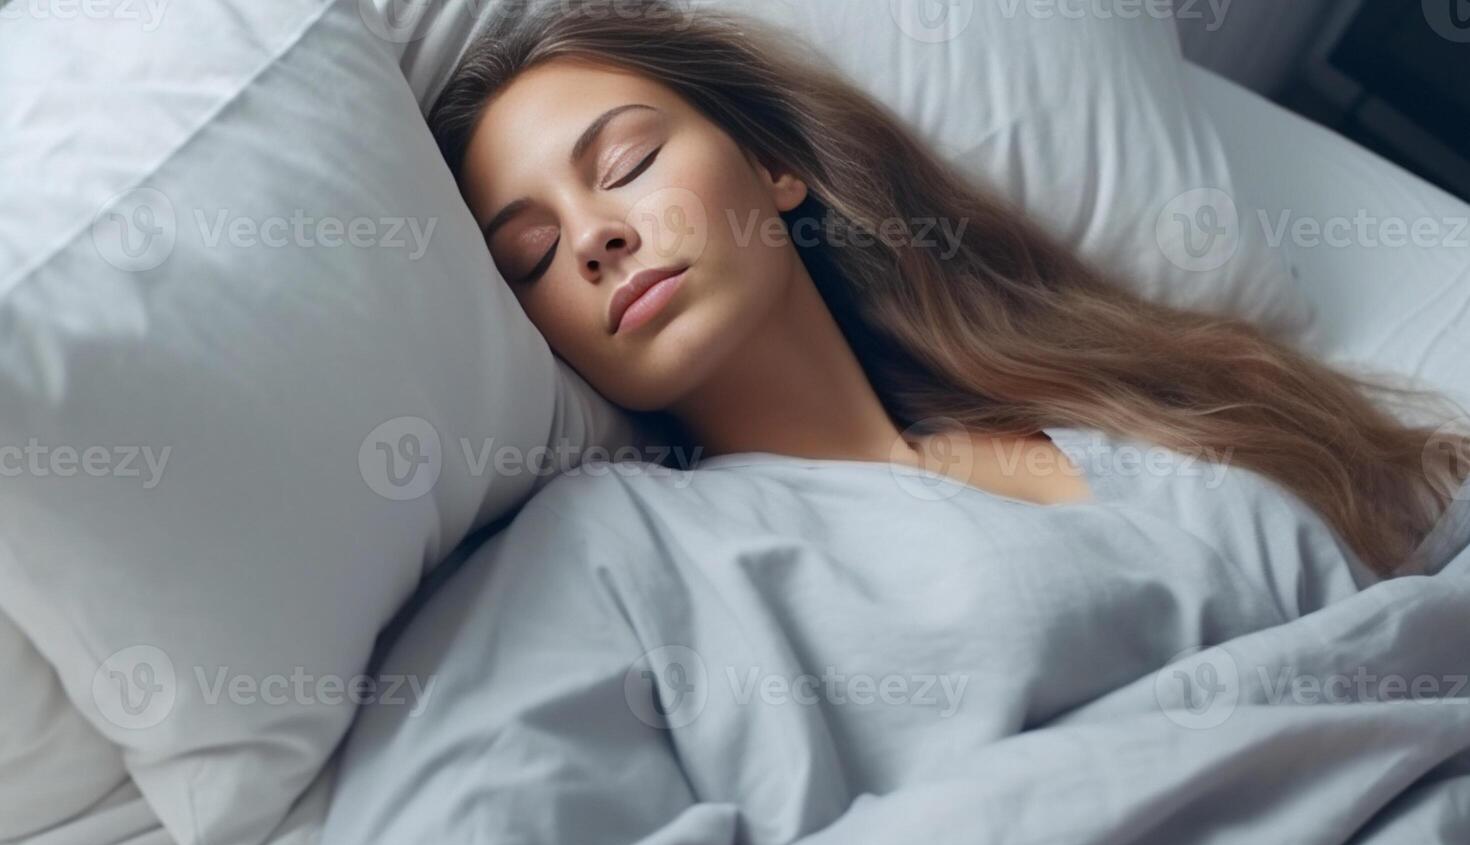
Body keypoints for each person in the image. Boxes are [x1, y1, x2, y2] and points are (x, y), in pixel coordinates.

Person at [429, 0, 1469, 580]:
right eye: (532, 256)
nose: (596, 236)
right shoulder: (642, 562)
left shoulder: (1136, 397)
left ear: (774, 169)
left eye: (624, 166)